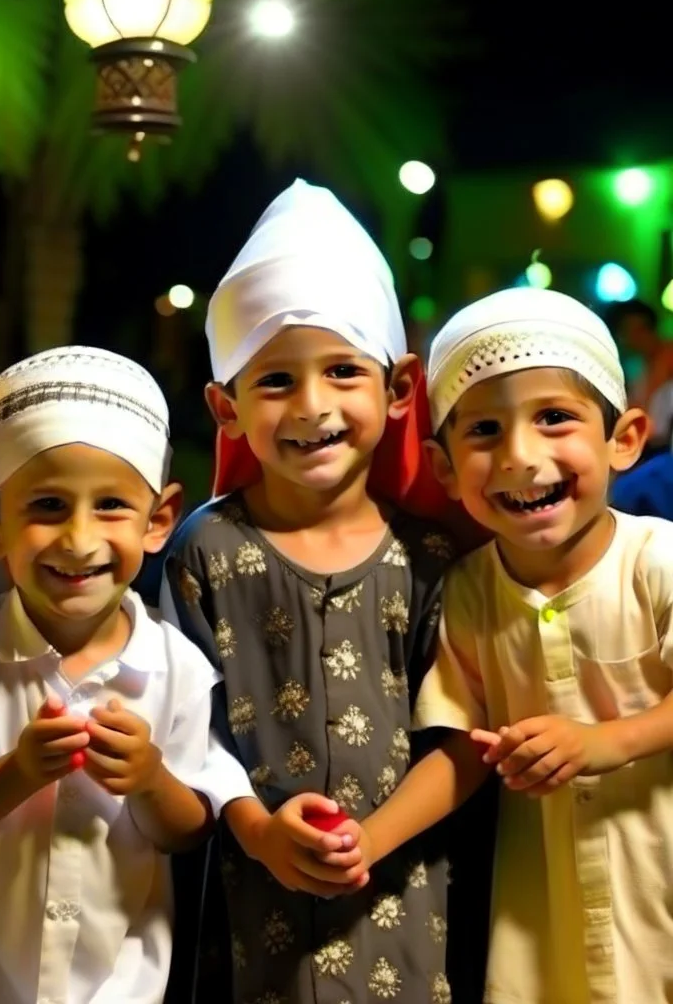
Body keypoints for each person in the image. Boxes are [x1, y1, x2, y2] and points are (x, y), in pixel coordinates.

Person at [162, 179, 457, 1004]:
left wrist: (373, 838)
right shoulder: (205, 551)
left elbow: (462, 736)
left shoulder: (432, 557)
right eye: (276, 381)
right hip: (250, 916)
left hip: (402, 908)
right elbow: (182, 731)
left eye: (340, 371)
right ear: (225, 406)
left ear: (398, 389)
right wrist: (256, 832)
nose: (313, 406)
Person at [0, 346, 250, 1004]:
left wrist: (149, 779)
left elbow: (189, 829)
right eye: (48, 506)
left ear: (159, 520)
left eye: (110, 506)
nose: (79, 540)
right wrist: (18, 772)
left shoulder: (177, 668)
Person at [352, 287, 673, 1004]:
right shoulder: (469, 590)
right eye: (486, 431)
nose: (521, 456)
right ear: (442, 467)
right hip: (545, 910)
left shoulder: (658, 561)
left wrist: (605, 741)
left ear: (623, 438)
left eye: (554, 418)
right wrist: (369, 842)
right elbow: (464, 747)